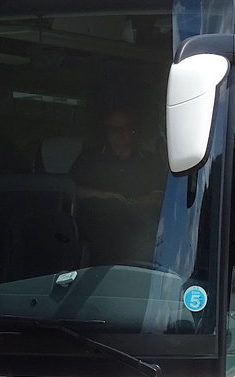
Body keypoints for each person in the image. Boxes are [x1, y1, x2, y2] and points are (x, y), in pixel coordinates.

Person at [70, 109, 165, 263]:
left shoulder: (150, 162)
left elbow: (160, 197)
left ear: (134, 131)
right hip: (97, 232)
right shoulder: (90, 158)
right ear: (106, 131)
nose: (120, 134)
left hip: (142, 233)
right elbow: (72, 191)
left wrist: (125, 203)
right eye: (114, 129)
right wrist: (106, 197)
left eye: (125, 128)